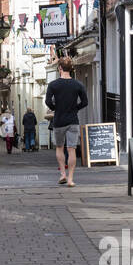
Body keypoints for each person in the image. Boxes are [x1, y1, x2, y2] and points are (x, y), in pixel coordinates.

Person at [45, 57, 89, 187]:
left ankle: (62, 174)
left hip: (59, 120)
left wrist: (55, 108)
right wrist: (75, 109)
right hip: (73, 120)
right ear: (71, 69)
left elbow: (48, 102)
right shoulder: (78, 85)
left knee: (59, 147)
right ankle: (70, 179)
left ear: (59, 68)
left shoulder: (53, 85)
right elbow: (85, 102)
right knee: (71, 149)